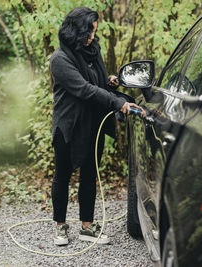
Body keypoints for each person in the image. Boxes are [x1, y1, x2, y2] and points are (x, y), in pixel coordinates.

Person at [49, 6, 142, 246]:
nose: (92, 37)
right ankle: (60, 226)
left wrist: (108, 81)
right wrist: (116, 101)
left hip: (93, 123)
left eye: (94, 32)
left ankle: (87, 227)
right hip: (68, 126)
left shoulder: (92, 50)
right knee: (63, 176)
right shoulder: (60, 59)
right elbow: (83, 89)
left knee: (90, 173)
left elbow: (96, 83)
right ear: (76, 31)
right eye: (89, 32)